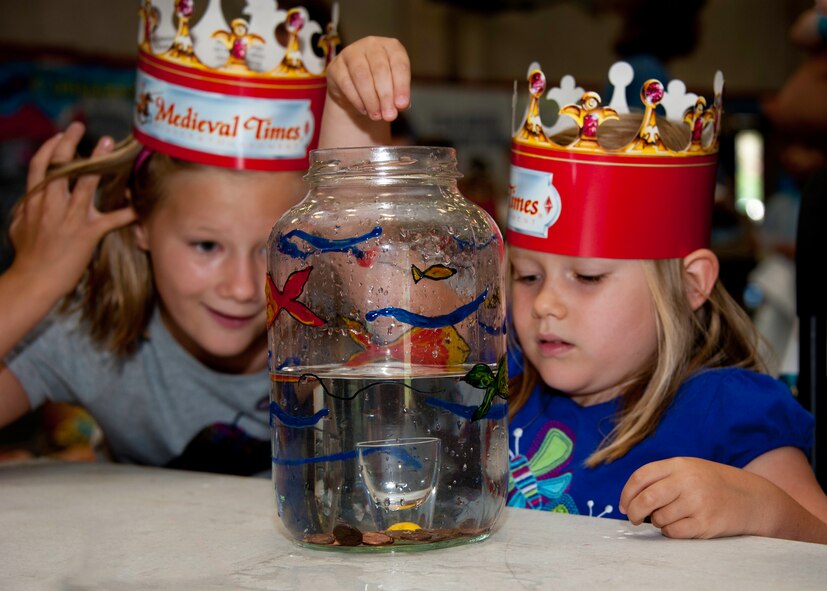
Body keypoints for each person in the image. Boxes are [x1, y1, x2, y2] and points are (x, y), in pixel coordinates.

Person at [0, 0, 410, 475]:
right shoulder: (95, 337)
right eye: (206, 246)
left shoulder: (338, 328)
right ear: (141, 224)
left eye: (272, 248)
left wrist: (354, 108)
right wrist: (34, 277)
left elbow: (394, 301)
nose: (240, 288)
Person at [506, 62, 827, 543]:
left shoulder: (725, 411)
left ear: (690, 284)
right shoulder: (505, 380)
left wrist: (759, 507)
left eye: (588, 277)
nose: (545, 303)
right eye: (527, 275)